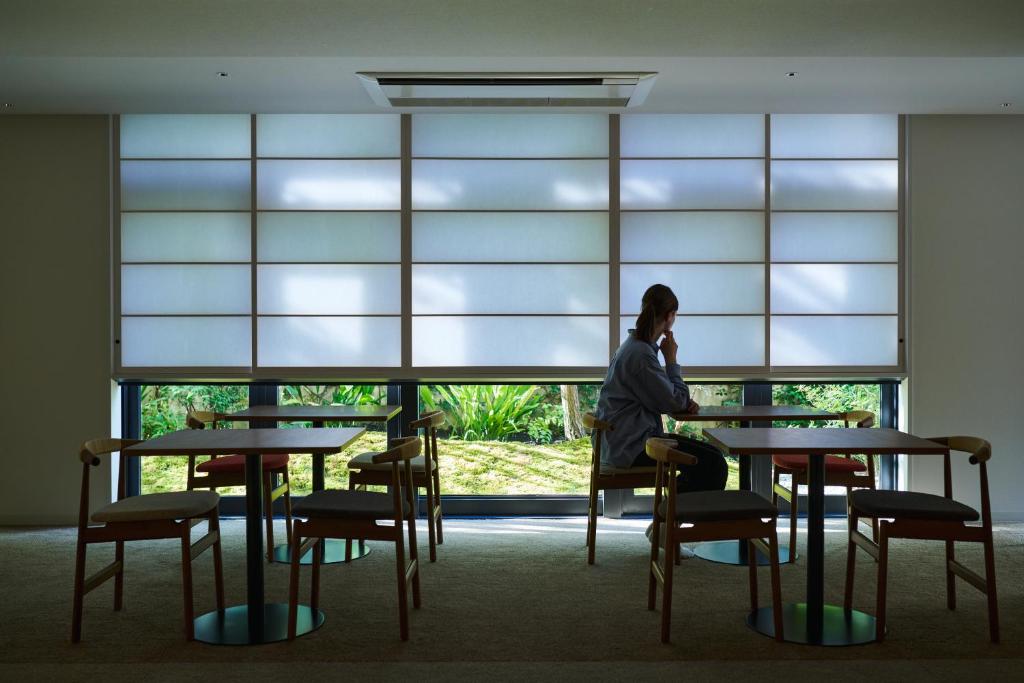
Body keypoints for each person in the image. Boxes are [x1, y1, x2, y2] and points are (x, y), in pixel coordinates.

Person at [594, 283, 728, 495]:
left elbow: (669, 398)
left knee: (712, 456)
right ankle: (674, 520)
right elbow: (674, 402)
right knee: (714, 464)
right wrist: (671, 360)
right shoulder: (641, 355)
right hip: (632, 447)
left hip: (623, 441)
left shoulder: (635, 347)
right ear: (669, 316)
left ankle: (672, 518)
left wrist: (679, 400)